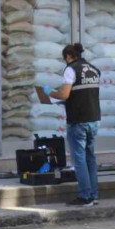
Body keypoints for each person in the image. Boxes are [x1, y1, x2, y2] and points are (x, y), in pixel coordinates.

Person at [42, 43, 101, 207]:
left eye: (65, 58)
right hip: (93, 119)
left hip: (78, 120)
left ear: (68, 56)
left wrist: (51, 93)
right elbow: (84, 93)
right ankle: (94, 194)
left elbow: (65, 93)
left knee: (79, 159)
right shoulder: (93, 69)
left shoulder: (71, 69)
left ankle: (85, 196)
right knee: (90, 158)